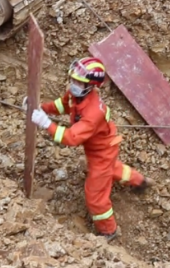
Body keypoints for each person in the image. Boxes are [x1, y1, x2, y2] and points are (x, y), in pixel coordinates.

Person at [24, 57, 156, 241]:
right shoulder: (76, 95)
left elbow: (71, 138)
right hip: (100, 148)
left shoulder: (93, 111)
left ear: (91, 85)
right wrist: (42, 109)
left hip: (101, 151)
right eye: (73, 79)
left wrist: (46, 124)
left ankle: (109, 230)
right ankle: (140, 181)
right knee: (111, 168)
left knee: (95, 196)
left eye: (78, 81)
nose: (73, 84)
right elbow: (62, 105)